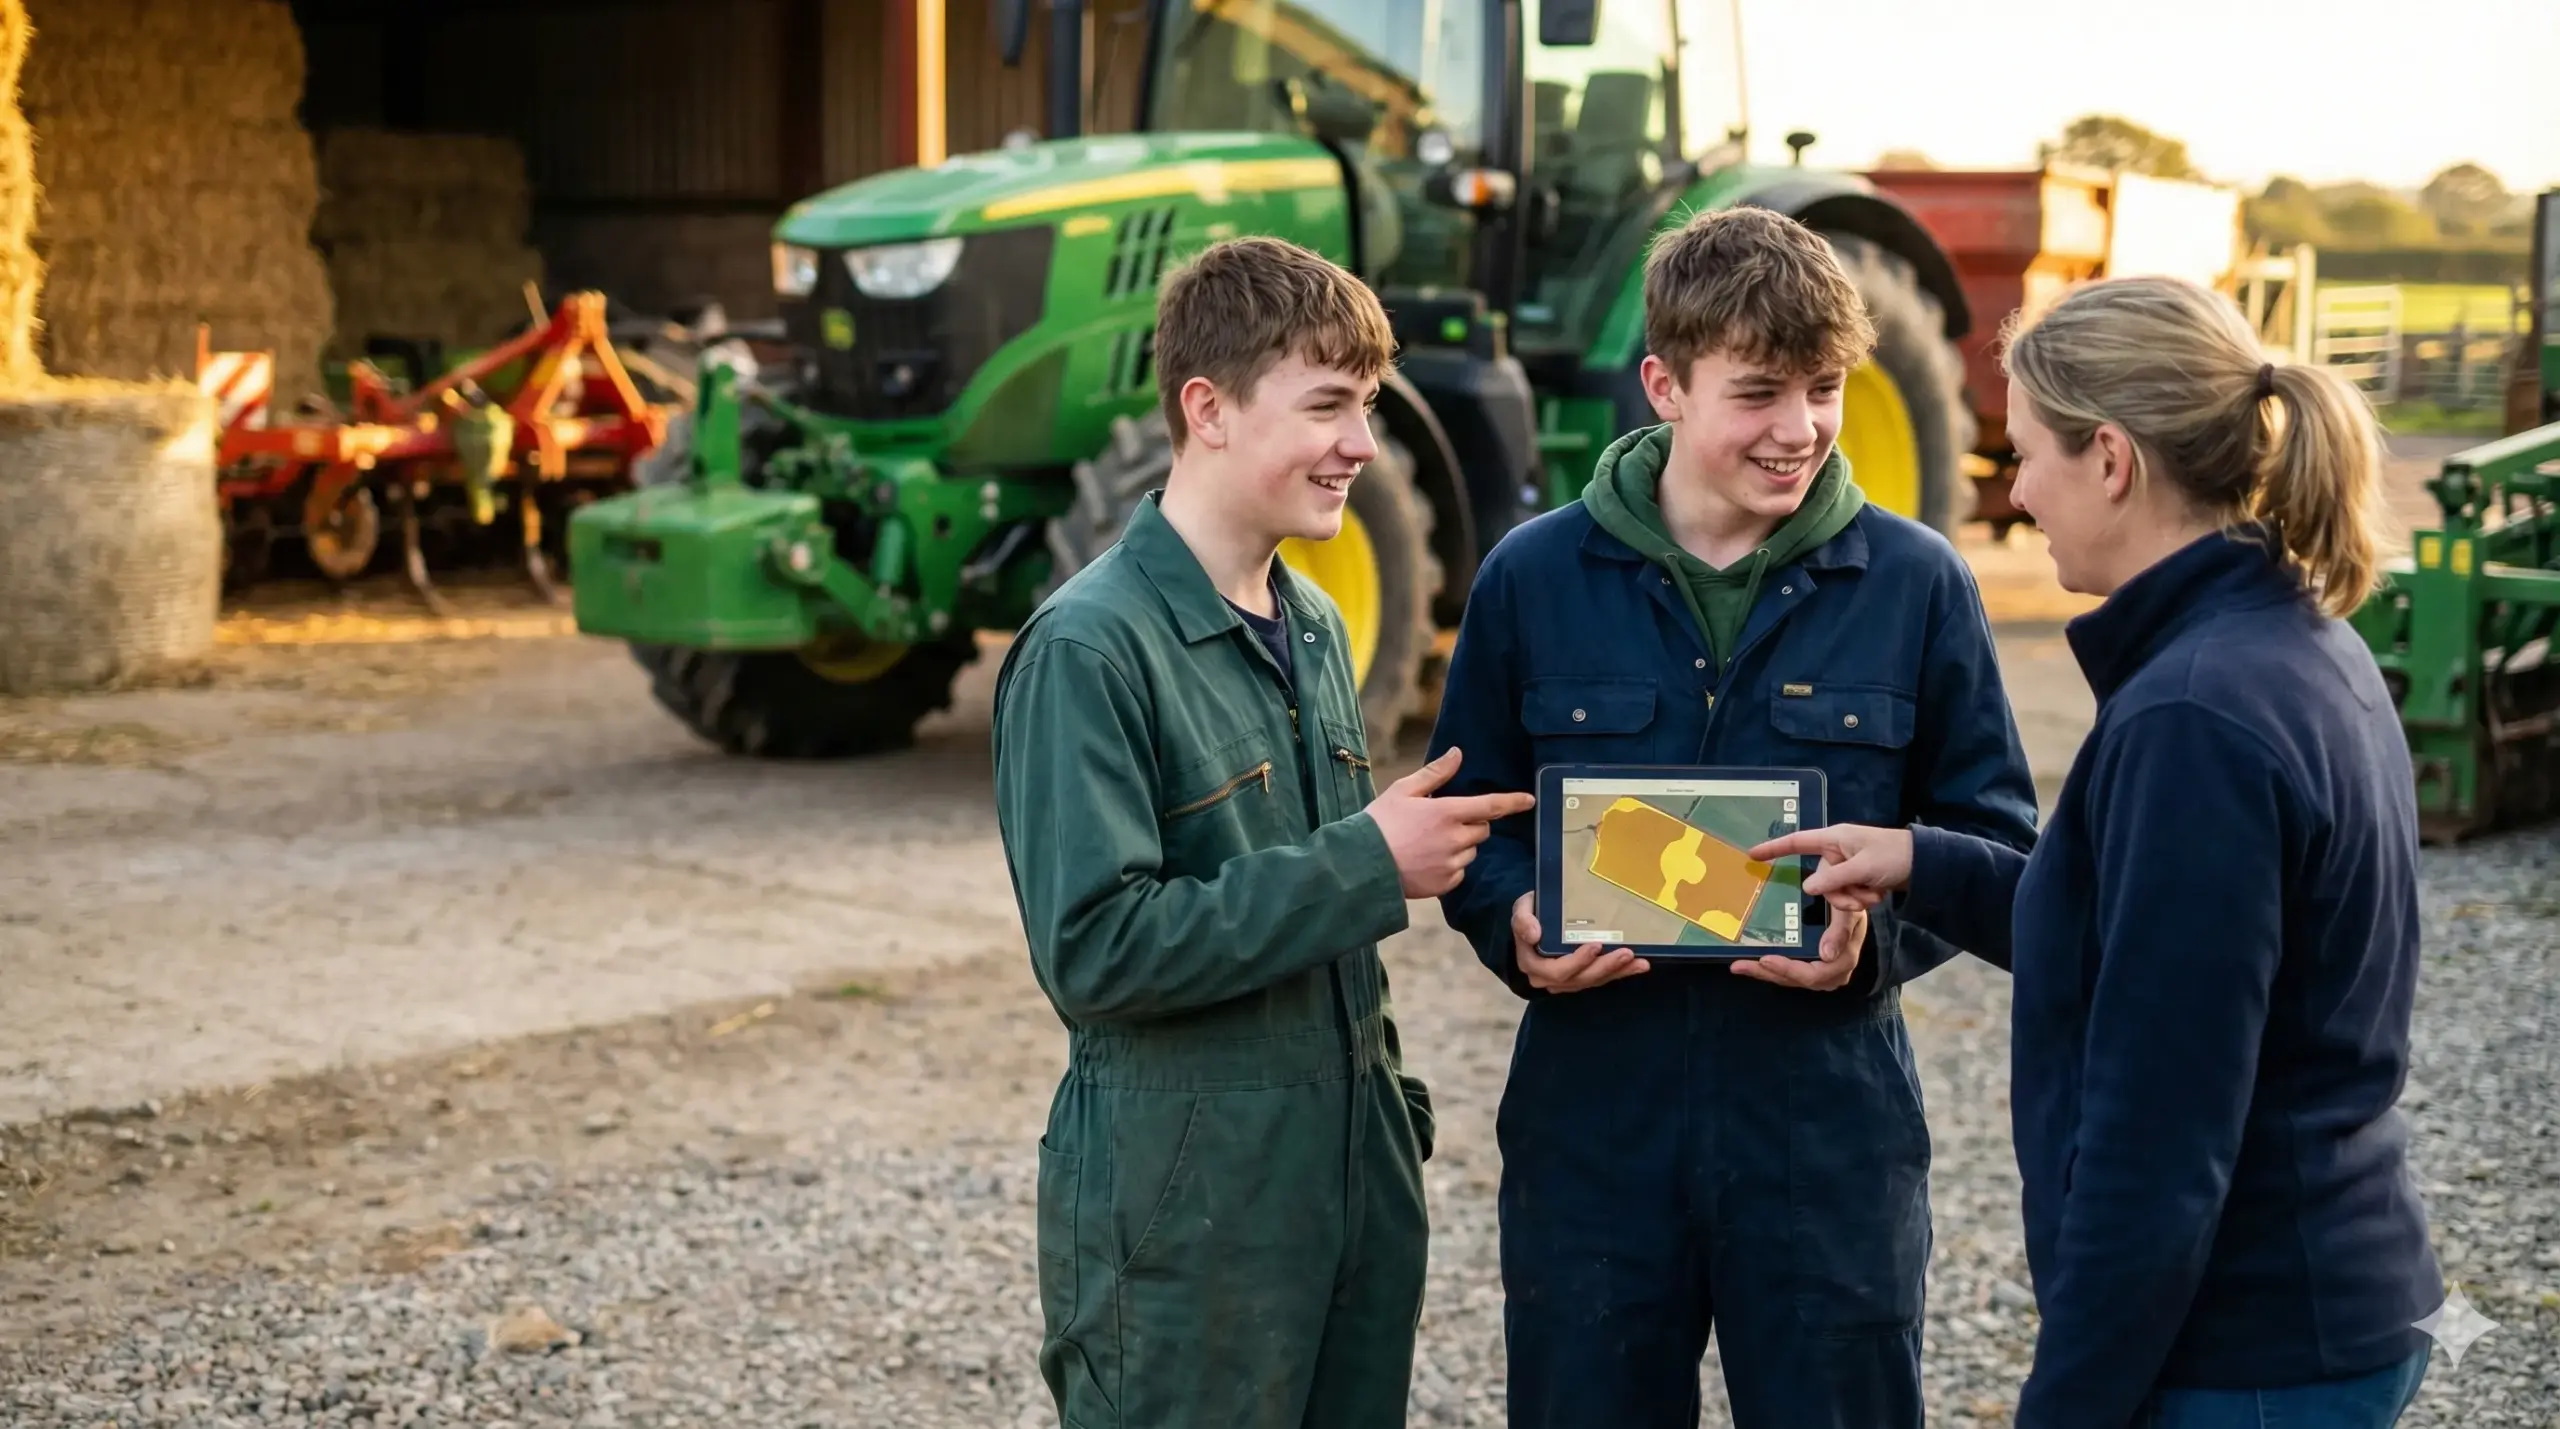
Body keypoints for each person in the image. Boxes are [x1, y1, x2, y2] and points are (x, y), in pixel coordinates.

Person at [1753, 274, 2446, 1429]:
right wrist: (1929, 860)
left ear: (2112, 460)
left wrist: (2066, 1404)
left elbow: (2160, 1129)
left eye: (2025, 454)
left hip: (2246, 1348)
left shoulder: (2193, 718)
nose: (2015, 493)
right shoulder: (2294, 641)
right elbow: (2147, 937)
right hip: (2328, 1301)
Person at [1424, 204, 2042, 1429]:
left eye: (1822, 388)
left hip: (1826, 1127)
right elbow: (1468, 825)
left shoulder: (1915, 582)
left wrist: (1877, 946)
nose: (1800, 427)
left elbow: (1996, 837)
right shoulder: (1530, 581)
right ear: (1664, 383)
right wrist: (1515, 926)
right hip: (1595, 1124)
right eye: (1757, 392)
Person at [990, 235, 1533, 1429]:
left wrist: (1389, 1124)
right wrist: (1369, 863)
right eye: (1328, 405)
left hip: (1342, 1206)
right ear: (1209, 410)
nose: (1362, 444)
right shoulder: (1087, 649)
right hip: (1186, 1233)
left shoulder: (1319, 625)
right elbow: (1094, 952)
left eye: (1369, 407)